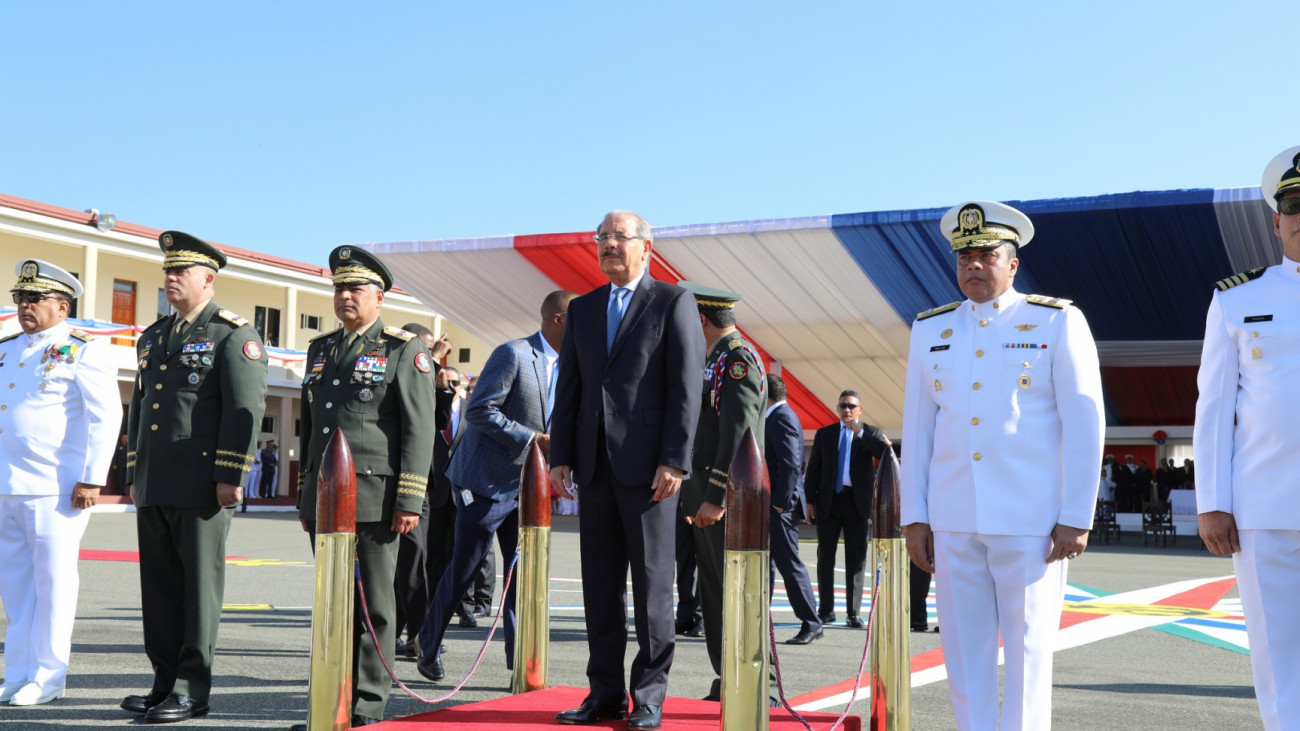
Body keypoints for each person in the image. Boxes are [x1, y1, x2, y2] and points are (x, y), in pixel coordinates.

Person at [901, 201, 1104, 730]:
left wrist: (1077, 514)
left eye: (987, 254)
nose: (974, 265)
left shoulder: (1056, 321)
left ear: (1012, 264)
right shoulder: (931, 330)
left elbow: (1086, 421)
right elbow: (919, 430)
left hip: (1031, 520)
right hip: (954, 516)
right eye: (965, 256)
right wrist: (915, 515)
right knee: (964, 657)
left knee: (1029, 653)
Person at [549, 210, 705, 730]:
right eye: (602, 238)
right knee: (600, 586)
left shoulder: (673, 301)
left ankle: (650, 696)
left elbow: (687, 387)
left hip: (650, 471)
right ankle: (605, 693)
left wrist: (675, 460)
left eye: (619, 237)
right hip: (593, 467)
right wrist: (562, 455)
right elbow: (569, 386)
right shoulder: (585, 308)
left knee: (654, 585)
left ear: (645, 246)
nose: (609, 244)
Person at [122, 231, 268, 723]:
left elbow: (244, 408)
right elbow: (141, 408)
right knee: (160, 590)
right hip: (156, 481)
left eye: (179, 272)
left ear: (208, 279)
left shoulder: (232, 335)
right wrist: (134, 472)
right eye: (166, 272)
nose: (169, 280)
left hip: (201, 483)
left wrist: (230, 476)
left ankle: (192, 689)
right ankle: (163, 683)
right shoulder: (154, 336)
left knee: (198, 590)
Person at [293, 246, 435, 727]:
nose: (344, 296)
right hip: (327, 498)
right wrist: (306, 494)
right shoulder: (321, 349)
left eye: (354, 288)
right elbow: (311, 430)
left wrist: (410, 497)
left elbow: (418, 430)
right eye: (338, 287)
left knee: (374, 606)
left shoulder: (402, 349)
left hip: (376, 497)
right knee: (332, 604)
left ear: (379, 296)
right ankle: (331, 700)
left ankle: (368, 707)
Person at [416, 290, 575, 681]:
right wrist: (533, 440)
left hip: (529, 487)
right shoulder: (514, 353)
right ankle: (427, 644)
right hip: (483, 481)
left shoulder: (575, 364)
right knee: (466, 567)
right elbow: (482, 410)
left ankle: (519, 667)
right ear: (558, 320)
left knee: (521, 577)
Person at [1195, 145, 1300, 731]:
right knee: (1277, 657)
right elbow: (1214, 407)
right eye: (1295, 205)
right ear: (1277, 220)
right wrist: (1212, 501)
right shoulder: (1238, 298)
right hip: (1265, 505)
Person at [0, 260, 121, 706]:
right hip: (7, 483)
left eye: (34, 298)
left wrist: (92, 477)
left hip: (55, 486)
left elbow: (105, 417)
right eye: (19, 298)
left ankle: (49, 675)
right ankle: (17, 672)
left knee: (53, 584)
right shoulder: (8, 348)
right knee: (15, 587)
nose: (24, 305)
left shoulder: (84, 349)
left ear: (62, 304)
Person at [675, 281, 766, 700]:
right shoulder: (714, 358)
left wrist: (715, 496)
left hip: (725, 500)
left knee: (733, 587)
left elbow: (737, 435)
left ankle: (748, 676)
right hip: (706, 496)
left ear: (701, 319)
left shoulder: (736, 362)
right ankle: (728, 672)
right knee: (714, 586)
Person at [803, 389, 890, 628]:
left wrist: (859, 432)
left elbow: (885, 454)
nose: (847, 410)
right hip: (829, 502)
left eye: (852, 406)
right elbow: (814, 470)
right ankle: (826, 610)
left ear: (860, 410)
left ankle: (853, 613)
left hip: (858, 504)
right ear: (838, 409)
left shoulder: (871, 433)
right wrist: (809, 502)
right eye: (843, 406)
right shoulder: (825, 434)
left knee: (857, 559)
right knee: (825, 558)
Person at [392, 324, 452, 659]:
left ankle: (417, 635)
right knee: (401, 562)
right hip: (393, 476)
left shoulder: (433, 373)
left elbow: (439, 421)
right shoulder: (401, 364)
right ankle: (412, 634)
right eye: (423, 348)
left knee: (416, 559)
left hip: (423, 482)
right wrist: (433, 362)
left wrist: (443, 385)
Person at [764, 374, 822, 645]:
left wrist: (779, 502)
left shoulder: (782, 417)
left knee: (789, 563)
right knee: (769, 564)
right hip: (777, 505)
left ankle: (811, 621)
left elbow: (790, 464)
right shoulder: (777, 417)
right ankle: (760, 618)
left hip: (781, 507)